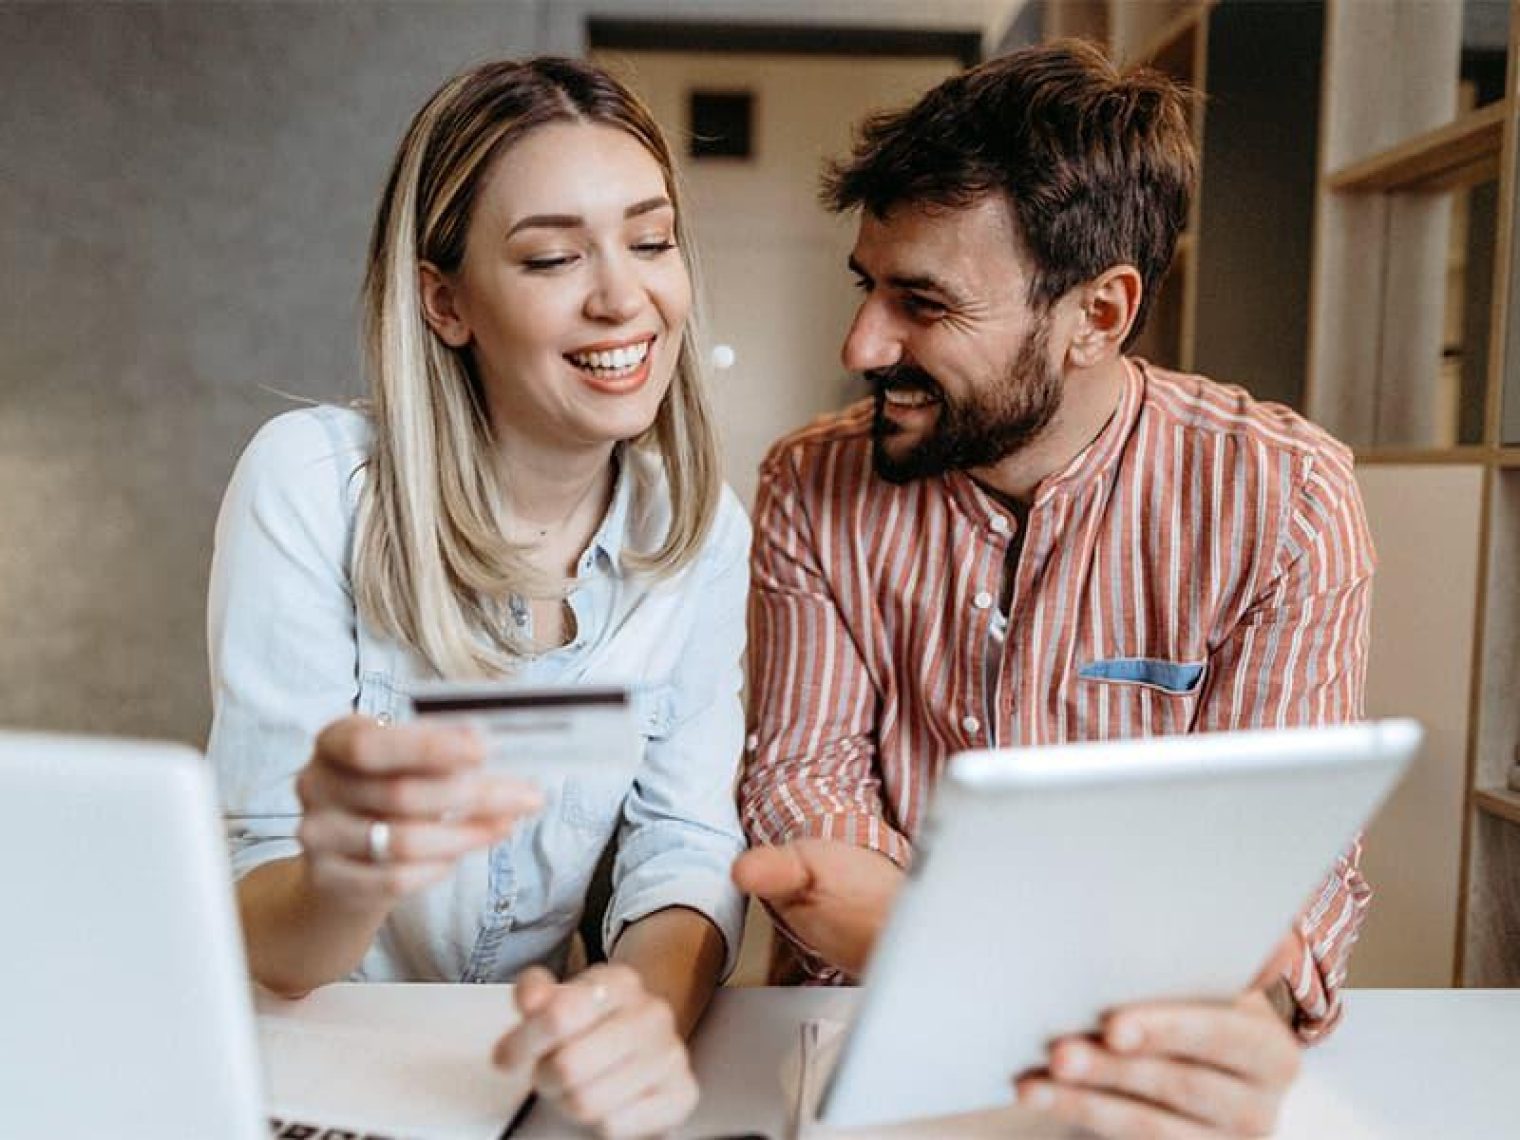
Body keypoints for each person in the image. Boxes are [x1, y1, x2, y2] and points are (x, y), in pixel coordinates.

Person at [734, 40, 1374, 1140]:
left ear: (1099, 314)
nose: (862, 342)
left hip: (1138, 1060)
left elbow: (1275, 868)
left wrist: (1225, 1002)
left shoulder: (1285, 499)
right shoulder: (808, 482)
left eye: (923, 304)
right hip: (861, 1048)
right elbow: (806, 782)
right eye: (866, 286)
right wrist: (983, 954)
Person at [208, 57, 749, 1139]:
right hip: (310, 1068)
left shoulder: (698, 533)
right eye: (552, 256)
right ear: (445, 302)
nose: (623, 297)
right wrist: (348, 874)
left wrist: (636, 1017)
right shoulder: (312, 485)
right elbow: (263, 929)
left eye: (650, 242)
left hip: (516, 1077)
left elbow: (682, 847)